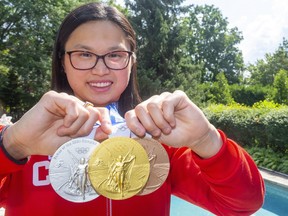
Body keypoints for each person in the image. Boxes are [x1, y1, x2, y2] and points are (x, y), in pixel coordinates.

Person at [0, 2, 264, 216]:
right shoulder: (22, 140)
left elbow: (242, 205)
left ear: (131, 62)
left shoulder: (159, 138)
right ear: (62, 62)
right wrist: (12, 146)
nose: (100, 69)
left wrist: (206, 139)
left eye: (115, 55)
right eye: (84, 54)